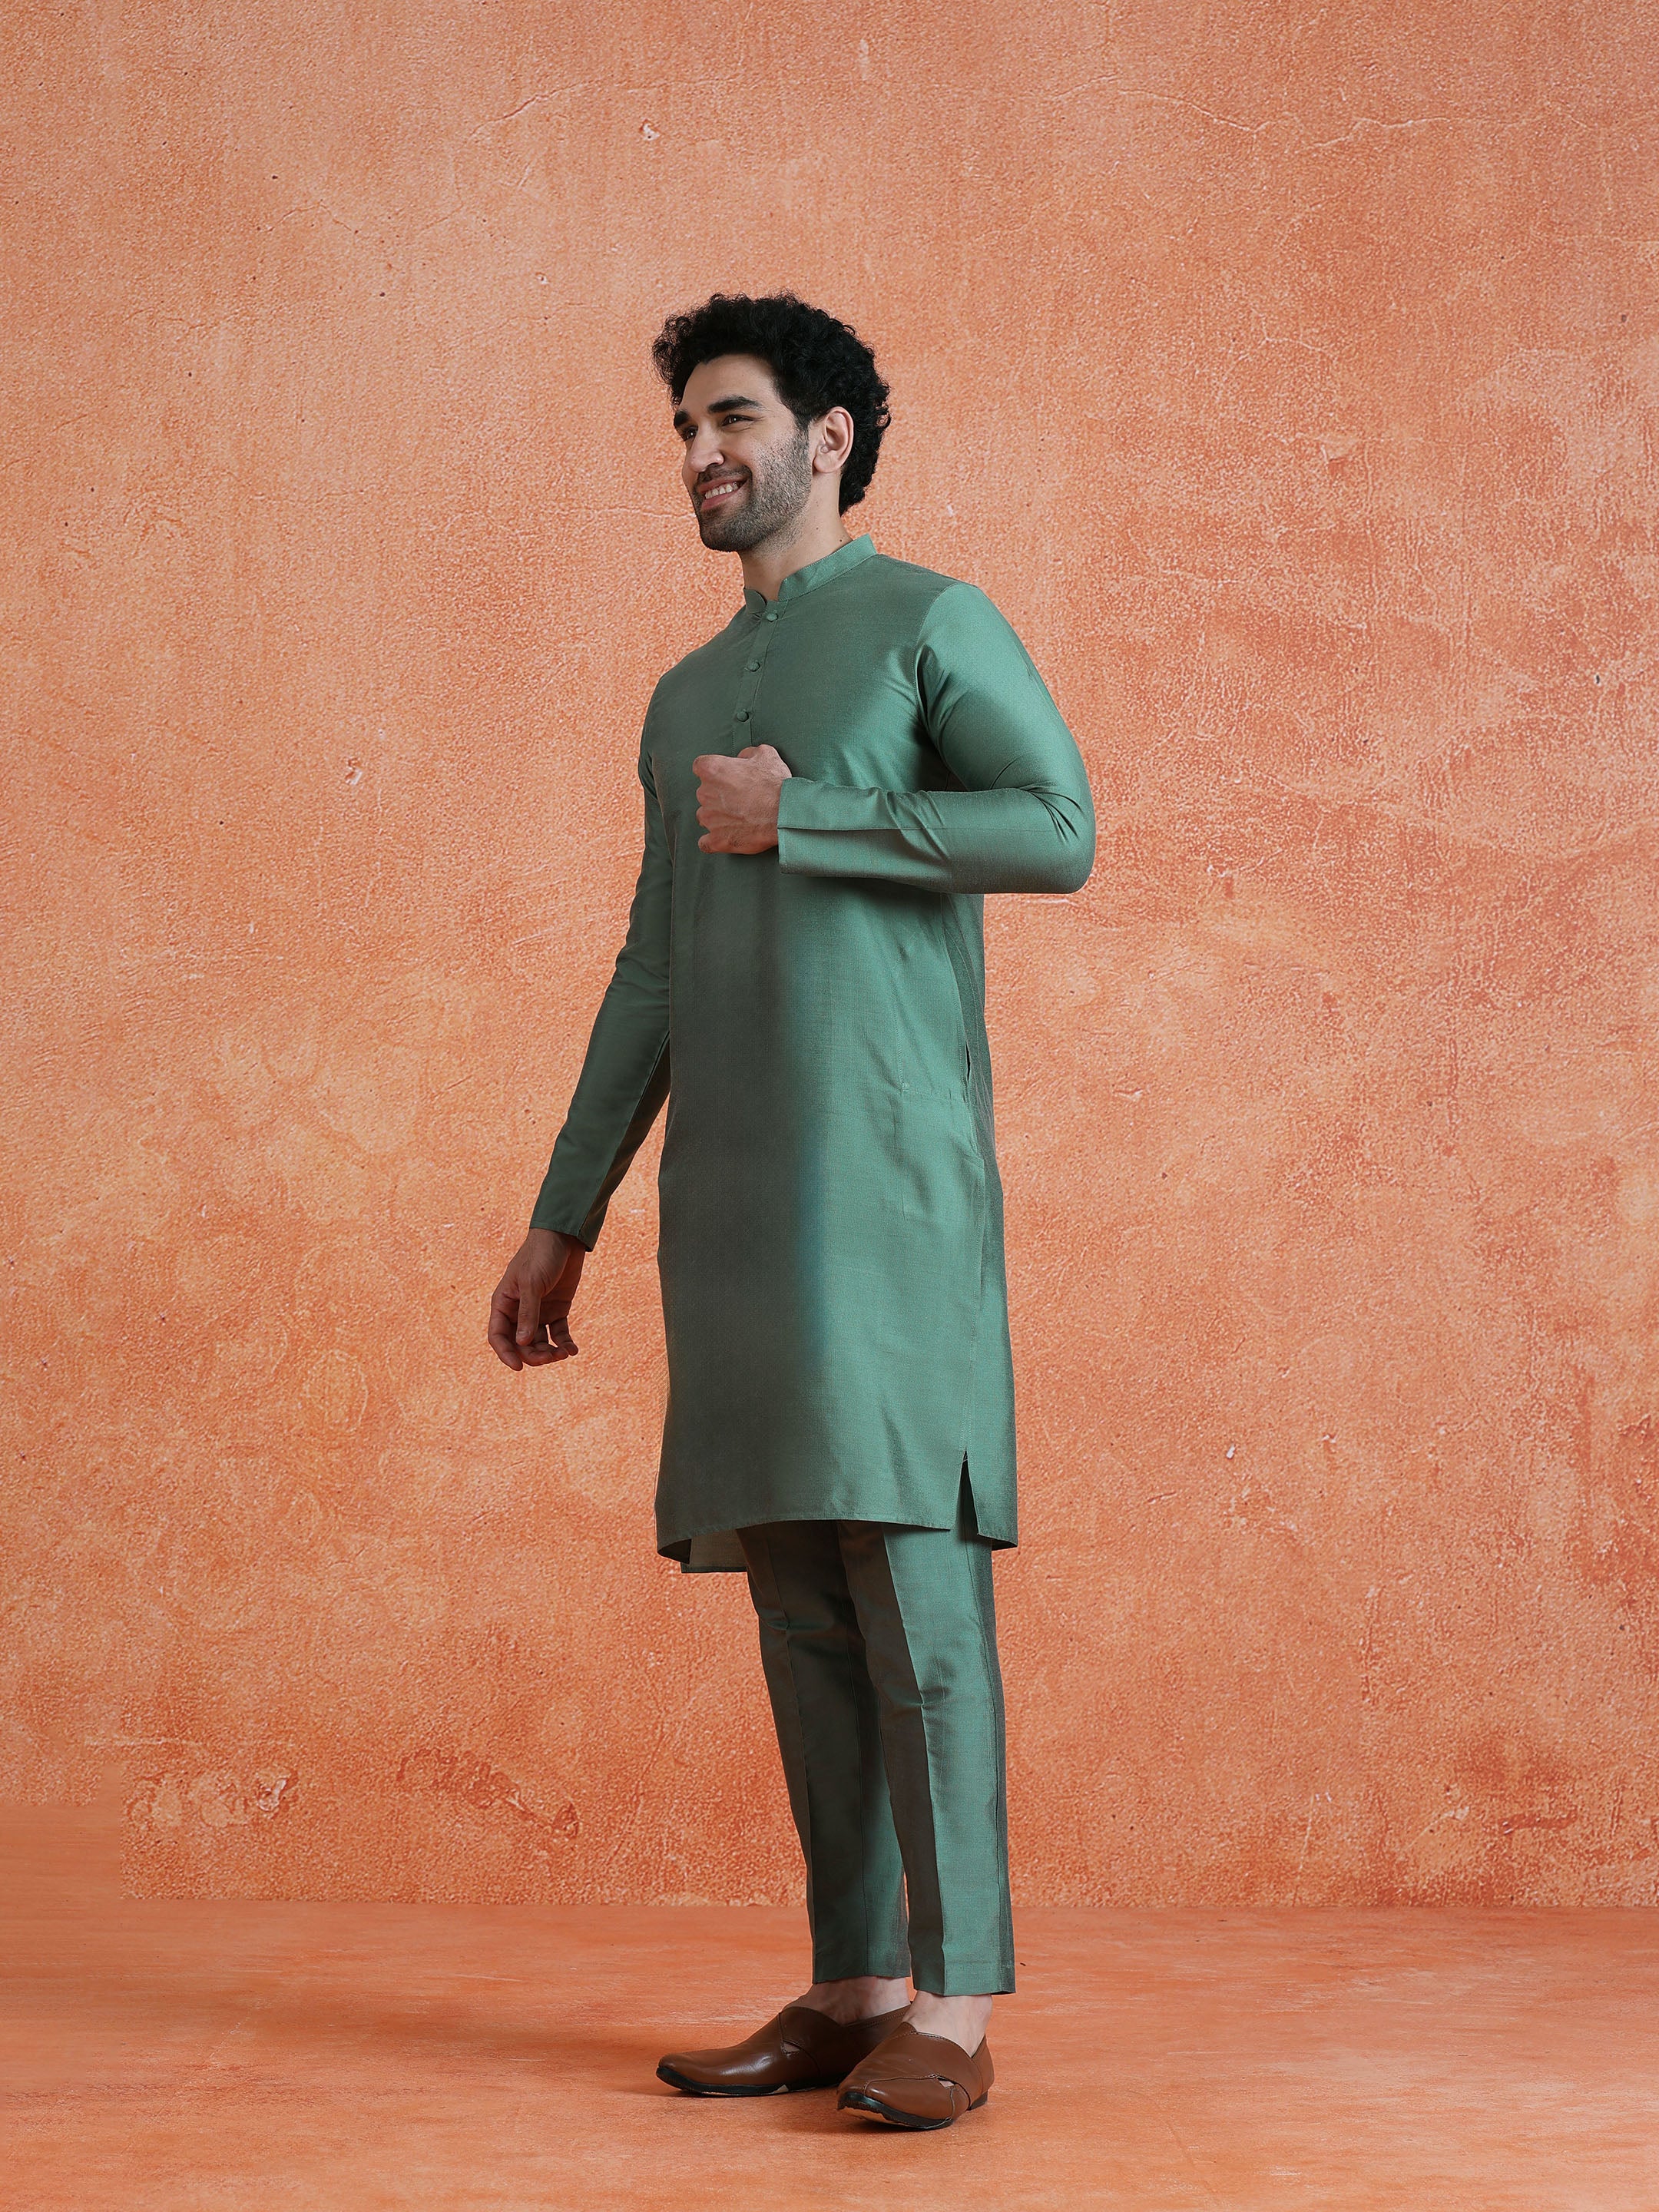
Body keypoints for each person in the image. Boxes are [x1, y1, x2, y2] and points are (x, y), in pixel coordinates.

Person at [488, 293, 1094, 2131]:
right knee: (805, 1608)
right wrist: (567, 1213)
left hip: (889, 1192)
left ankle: (957, 2010)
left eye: (733, 418)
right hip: (734, 1209)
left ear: (828, 437)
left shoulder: (930, 622)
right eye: (686, 427)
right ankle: (856, 1986)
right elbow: (653, 968)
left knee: (912, 1580)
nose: (701, 453)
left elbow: (1057, 826)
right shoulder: (683, 698)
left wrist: (812, 815)